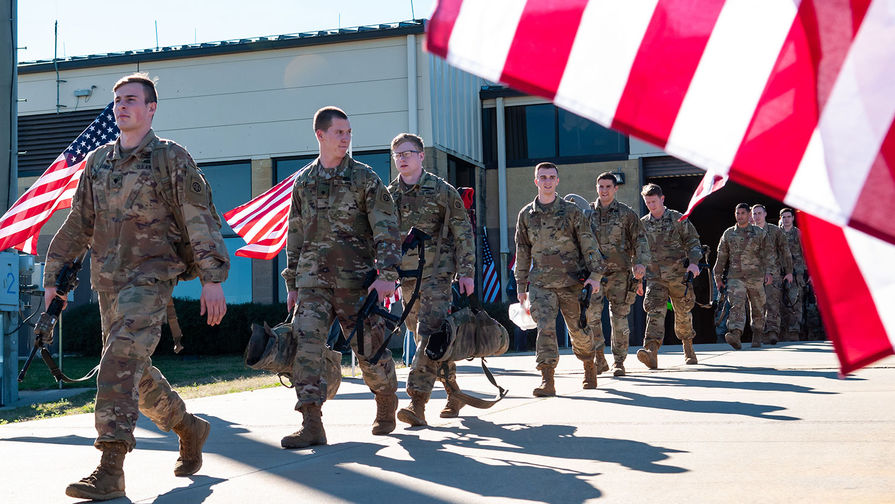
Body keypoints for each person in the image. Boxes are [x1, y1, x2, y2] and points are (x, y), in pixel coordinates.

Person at [45, 73, 229, 501]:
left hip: (151, 278)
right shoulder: (98, 163)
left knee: (118, 362)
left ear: (151, 109)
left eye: (131, 100)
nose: (121, 106)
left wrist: (213, 278)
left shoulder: (171, 159)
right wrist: (55, 277)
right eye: (117, 101)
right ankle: (189, 427)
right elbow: (78, 224)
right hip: (108, 281)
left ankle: (110, 467)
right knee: (134, 373)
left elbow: (200, 217)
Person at [281, 106, 402, 449]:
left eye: (349, 132)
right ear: (320, 135)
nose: (346, 138)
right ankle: (311, 423)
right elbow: (295, 234)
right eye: (339, 132)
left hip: (356, 282)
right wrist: (292, 283)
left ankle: (385, 398)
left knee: (370, 350)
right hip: (312, 283)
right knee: (306, 349)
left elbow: (387, 228)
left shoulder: (365, 178)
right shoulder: (303, 181)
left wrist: (388, 274)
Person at [386, 133, 476, 426]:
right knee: (429, 339)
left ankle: (417, 402)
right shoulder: (390, 196)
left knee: (428, 334)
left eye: (408, 153)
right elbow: (383, 237)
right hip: (407, 278)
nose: (402, 159)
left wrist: (467, 272)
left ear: (421, 156)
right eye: (397, 154)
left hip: (437, 273)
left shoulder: (441, 190)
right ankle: (453, 392)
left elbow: (463, 232)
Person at [515, 162, 604, 396]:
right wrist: (520, 285)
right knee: (545, 328)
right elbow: (522, 251)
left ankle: (588, 364)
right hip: (541, 284)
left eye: (551, 177)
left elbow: (589, 243)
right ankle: (547, 379)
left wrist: (595, 275)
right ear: (536, 181)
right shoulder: (526, 214)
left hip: (572, 282)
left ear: (557, 181)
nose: (546, 181)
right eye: (542, 177)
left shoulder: (571, 212)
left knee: (578, 330)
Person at [586, 172, 650, 377]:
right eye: (601, 187)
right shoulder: (586, 214)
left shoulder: (626, 214)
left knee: (620, 318)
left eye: (608, 187)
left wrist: (640, 263)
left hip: (620, 274)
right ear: (597, 188)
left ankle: (619, 362)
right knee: (591, 318)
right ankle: (599, 359)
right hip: (594, 275)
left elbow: (640, 240)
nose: (604, 191)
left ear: (615, 189)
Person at [638, 183, 702, 368]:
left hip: (678, 276)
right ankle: (651, 351)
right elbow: (639, 252)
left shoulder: (678, 219)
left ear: (662, 199)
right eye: (648, 202)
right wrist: (638, 279)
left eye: (654, 201)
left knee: (682, 314)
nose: (651, 205)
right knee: (654, 312)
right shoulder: (643, 224)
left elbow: (693, 242)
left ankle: (688, 347)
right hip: (655, 278)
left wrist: (694, 262)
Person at [714, 203, 774, 350]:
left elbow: (769, 254)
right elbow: (722, 256)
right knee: (736, 304)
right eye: (738, 213)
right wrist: (718, 276)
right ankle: (735, 333)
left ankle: (757, 333)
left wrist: (769, 272)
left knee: (758, 306)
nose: (740, 216)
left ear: (748, 215)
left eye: (743, 213)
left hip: (756, 277)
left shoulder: (759, 233)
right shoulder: (728, 233)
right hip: (736, 277)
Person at [751, 204, 793, 345]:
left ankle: (773, 332)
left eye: (759, 213)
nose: (757, 216)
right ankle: (759, 333)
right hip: (754, 274)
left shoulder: (775, 231)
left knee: (772, 303)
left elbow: (785, 252)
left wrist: (789, 272)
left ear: (765, 214)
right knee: (756, 305)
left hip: (773, 273)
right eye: (754, 213)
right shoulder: (748, 231)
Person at [778, 208, 807, 341]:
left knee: (795, 304)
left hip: (796, 275)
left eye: (788, 216)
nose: (786, 219)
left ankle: (794, 333)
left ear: (793, 218)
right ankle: (783, 334)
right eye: (783, 217)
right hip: (779, 274)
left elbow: (807, 254)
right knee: (780, 304)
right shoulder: (777, 234)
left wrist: (808, 273)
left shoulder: (798, 234)